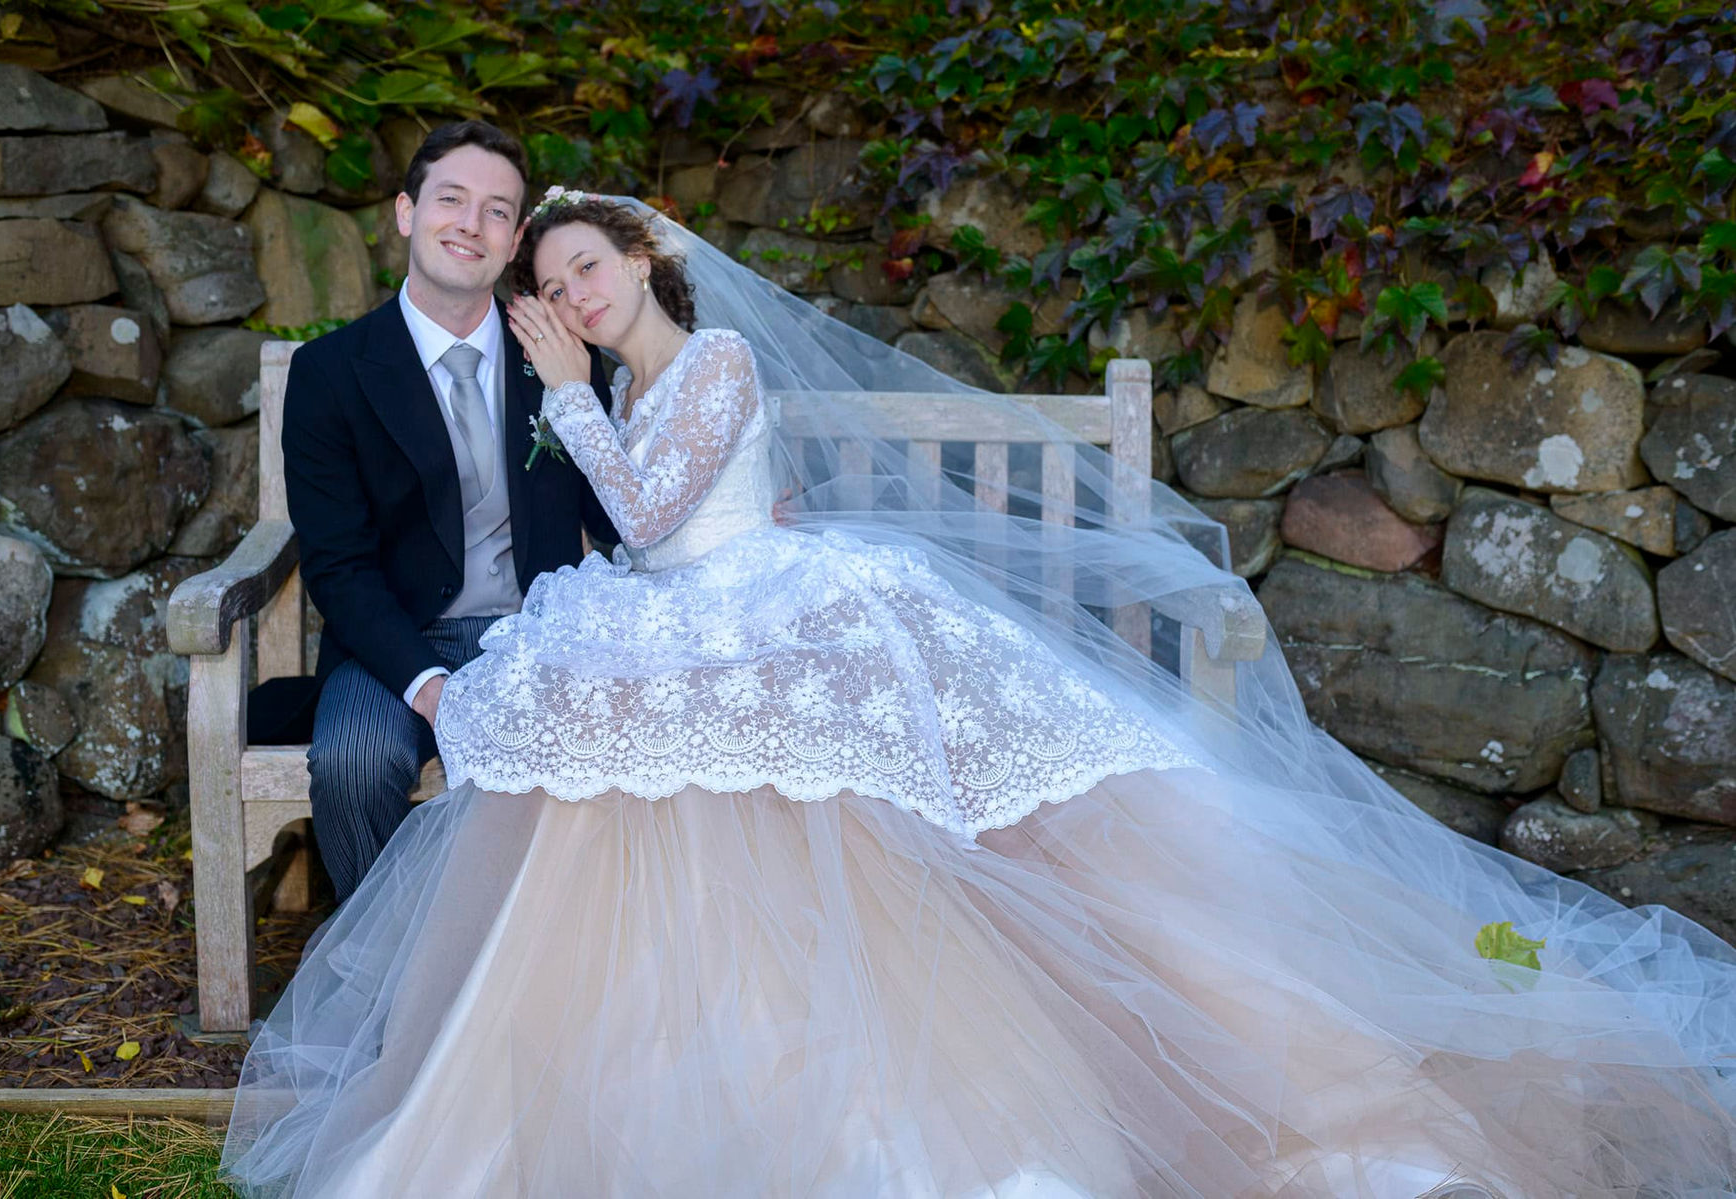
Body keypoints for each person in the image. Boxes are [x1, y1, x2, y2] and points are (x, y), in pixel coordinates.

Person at [222, 194, 1736, 1197]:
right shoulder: (625, 383)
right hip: (721, 611)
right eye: (549, 287)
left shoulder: (720, 357)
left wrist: (561, 392)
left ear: (645, 266)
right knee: (636, 795)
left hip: (771, 611)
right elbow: (674, 521)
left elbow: (665, 502)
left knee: (857, 829)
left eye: (586, 273)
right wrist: (595, 415)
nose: (568, 298)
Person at [277, 125, 617, 901]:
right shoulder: (331, 373)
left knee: (607, 750)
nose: (471, 223)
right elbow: (336, 561)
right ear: (406, 212)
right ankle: (379, 969)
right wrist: (430, 685)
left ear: (516, 240)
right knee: (353, 760)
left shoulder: (555, 352)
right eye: (451, 200)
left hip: (539, 630)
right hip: (392, 636)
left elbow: (614, 510)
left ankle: (534, 967)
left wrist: (579, 395)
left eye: (496, 210)